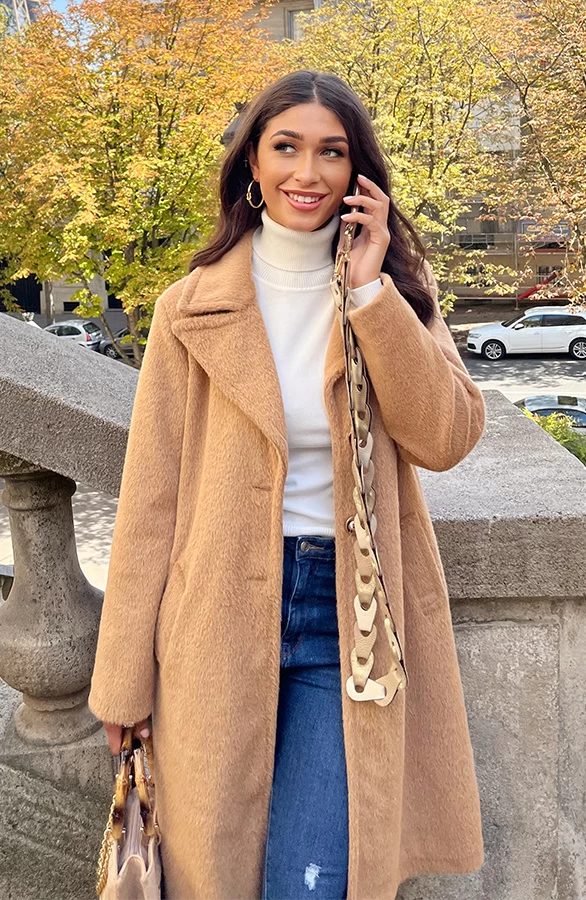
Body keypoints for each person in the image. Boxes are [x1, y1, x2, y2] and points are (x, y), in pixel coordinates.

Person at [89, 70, 486, 900]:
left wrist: (372, 291)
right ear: (253, 163)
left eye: (331, 152)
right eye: (286, 148)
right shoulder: (189, 308)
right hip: (212, 622)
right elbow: (150, 502)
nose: (308, 173)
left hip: (349, 618)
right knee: (216, 870)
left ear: (357, 172)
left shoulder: (394, 292)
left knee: (314, 877)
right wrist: (122, 678)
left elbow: (447, 438)